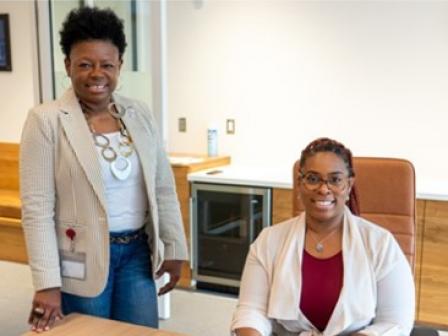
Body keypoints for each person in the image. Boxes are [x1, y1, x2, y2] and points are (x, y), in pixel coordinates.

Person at [20, 6, 188, 333]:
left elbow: (163, 188)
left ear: (120, 66)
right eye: (85, 64)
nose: (97, 74)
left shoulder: (139, 114)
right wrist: (46, 283)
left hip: (137, 253)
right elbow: (37, 210)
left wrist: (175, 247)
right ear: (68, 65)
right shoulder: (46, 121)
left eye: (107, 65)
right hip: (79, 257)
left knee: (141, 331)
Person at [231, 138, 415, 336]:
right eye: (312, 179)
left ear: (349, 184)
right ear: (300, 183)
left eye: (335, 179)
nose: (323, 189)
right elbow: (251, 311)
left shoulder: (380, 244)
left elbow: (395, 323)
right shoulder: (269, 241)